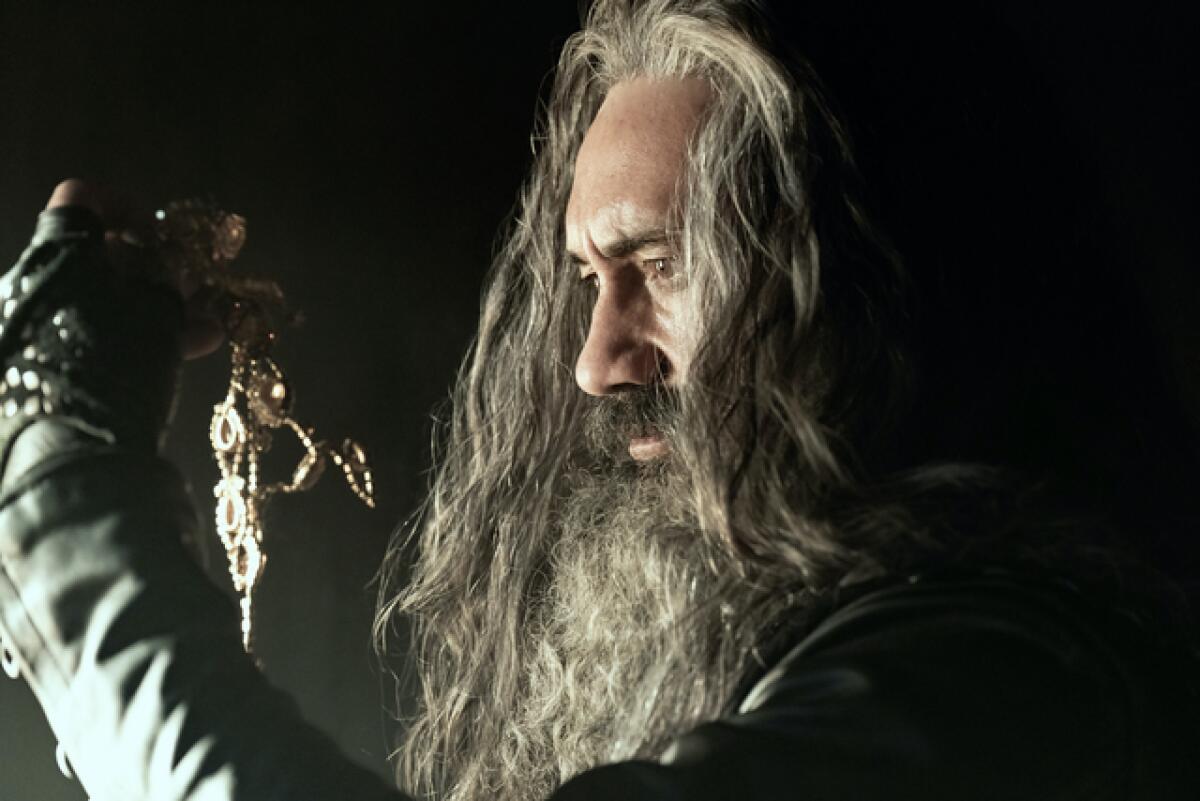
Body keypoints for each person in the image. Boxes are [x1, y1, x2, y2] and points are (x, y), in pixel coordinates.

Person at [0, 1, 1195, 800]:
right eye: (587, 279)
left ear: (870, 288)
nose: (595, 360)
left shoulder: (996, 681)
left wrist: (63, 507)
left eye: (664, 267)